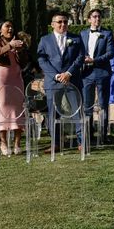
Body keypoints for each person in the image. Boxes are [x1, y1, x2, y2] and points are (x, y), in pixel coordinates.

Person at [37, 11, 86, 153]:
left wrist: (69, 73)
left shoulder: (76, 38)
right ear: (52, 24)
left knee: (77, 111)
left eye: (65, 22)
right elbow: (42, 60)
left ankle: (81, 141)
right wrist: (56, 76)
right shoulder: (45, 40)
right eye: (59, 22)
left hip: (72, 80)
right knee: (53, 113)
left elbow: (81, 56)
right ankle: (56, 143)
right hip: (53, 82)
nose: (63, 24)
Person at [0, 20, 29, 156]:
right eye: (7, 26)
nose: (10, 28)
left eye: (12, 26)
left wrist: (21, 50)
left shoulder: (18, 41)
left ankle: (17, 143)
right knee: (3, 107)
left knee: (18, 108)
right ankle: (3, 142)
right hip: (1, 79)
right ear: (0, 29)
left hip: (16, 78)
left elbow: (24, 62)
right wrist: (9, 46)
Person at [80, 8, 114, 144]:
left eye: (99, 16)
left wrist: (94, 60)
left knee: (103, 105)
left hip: (102, 73)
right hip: (86, 74)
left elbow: (110, 53)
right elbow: (79, 52)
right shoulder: (82, 34)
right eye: (94, 16)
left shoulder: (107, 33)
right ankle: (89, 135)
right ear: (89, 19)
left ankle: (103, 135)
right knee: (87, 106)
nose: (97, 19)